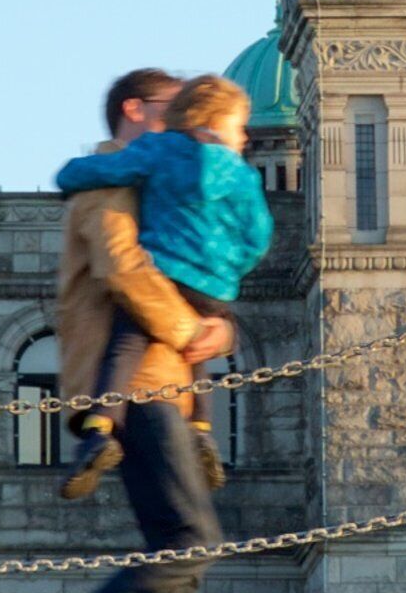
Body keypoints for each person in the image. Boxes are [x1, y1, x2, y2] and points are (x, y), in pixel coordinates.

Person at [40, 68, 236, 593]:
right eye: (171, 107)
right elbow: (122, 269)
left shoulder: (151, 180)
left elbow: (194, 268)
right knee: (192, 539)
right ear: (134, 110)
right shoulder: (110, 178)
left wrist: (221, 330)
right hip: (136, 385)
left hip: (162, 383)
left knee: (173, 549)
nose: (183, 121)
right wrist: (192, 330)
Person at [48, 74, 267, 497]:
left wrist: (68, 175)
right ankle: (202, 429)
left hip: (160, 355)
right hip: (161, 373)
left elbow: (127, 269)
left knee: (126, 343)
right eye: (170, 105)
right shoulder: (240, 174)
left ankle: (99, 429)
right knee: (183, 529)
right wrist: (228, 278)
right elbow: (257, 235)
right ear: (134, 108)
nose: (176, 115)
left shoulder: (156, 154)